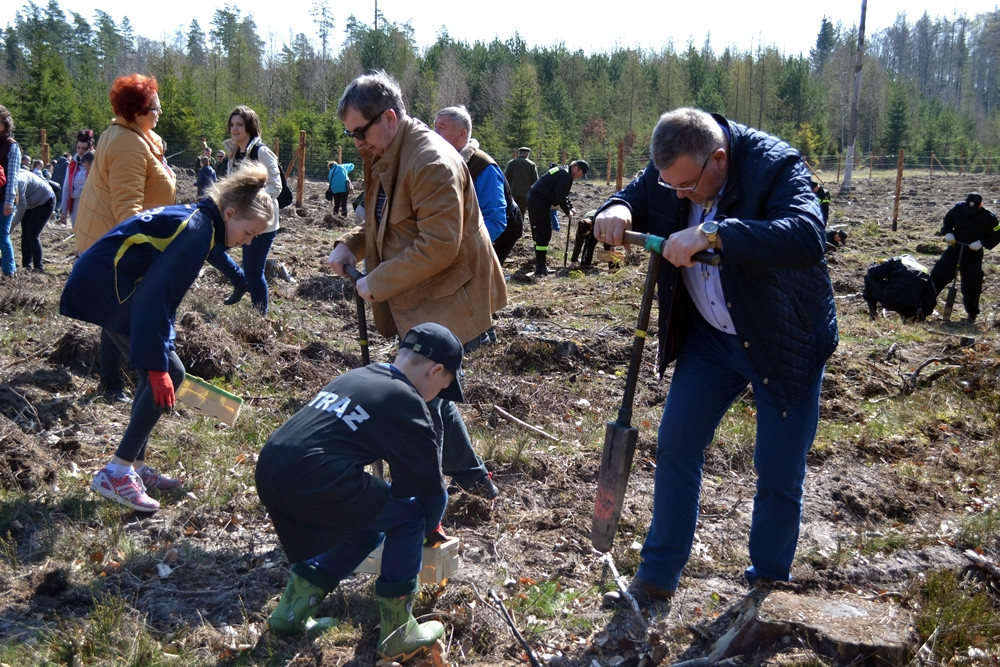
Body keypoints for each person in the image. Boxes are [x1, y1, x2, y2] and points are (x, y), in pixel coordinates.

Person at [593, 107, 837, 608]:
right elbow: (640, 194)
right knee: (676, 444)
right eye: (671, 187)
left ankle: (766, 586)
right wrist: (617, 207)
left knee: (777, 469)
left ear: (719, 160)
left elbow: (806, 236)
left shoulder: (775, 166)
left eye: (687, 187)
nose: (678, 196)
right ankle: (657, 577)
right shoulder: (675, 169)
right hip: (710, 340)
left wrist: (713, 233)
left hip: (781, 339)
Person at [327, 71, 507, 498]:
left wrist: (378, 281)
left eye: (359, 132)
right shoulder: (386, 151)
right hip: (424, 297)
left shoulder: (430, 160)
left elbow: (440, 244)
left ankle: (423, 506)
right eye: (351, 134)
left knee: (419, 400)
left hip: (453, 299)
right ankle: (472, 479)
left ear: (389, 117)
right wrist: (350, 245)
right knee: (432, 393)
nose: (356, 143)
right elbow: (385, 220)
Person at [60, 163, 275, 512]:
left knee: (160, 366)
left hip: (106, 285)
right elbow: (154, 297)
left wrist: (162, 348)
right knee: (168, 371)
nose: (247, 242)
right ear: (231, 213)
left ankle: (137, 467)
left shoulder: (203, 223)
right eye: (249, 233)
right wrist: (159, 362)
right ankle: (117, 471)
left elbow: (164, 295)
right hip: (105, 288)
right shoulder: (197, 230)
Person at [255, 322, 460, 659]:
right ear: (435, 371)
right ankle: (398, 632)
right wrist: (428, 531)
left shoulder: (361, 375)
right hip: (316, 476)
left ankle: (289, 615)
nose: (437, 395)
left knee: (364, 529)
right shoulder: (407, 399)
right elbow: (431, 493)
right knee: (409, 518)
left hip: (272, 468)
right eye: (443, 387)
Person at [75, 74, 177, 405]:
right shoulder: (126, 143)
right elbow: (127, 209)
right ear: (137, 110)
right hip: (114, 245)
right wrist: (149, 253)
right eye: (155, 107)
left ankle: (115, 381)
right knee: (123, 316)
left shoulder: (137, 136)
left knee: (116, 314)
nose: (160, 111)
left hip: (115, 241)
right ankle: (136, 380)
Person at [208, 105, 282, 314]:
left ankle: (260, 318)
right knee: (212, 250)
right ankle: (239, 282)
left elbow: (276, 187)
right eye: (232, 124)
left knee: (254, 273)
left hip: (260, 224)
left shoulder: (262, 152)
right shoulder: (233, 154)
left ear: (250, 126)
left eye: (239, 124)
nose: (235, 129)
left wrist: (250, 200)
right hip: (237, 220)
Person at [434, 105, 521, 264]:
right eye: (435, 126)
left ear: (462, 134)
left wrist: (466, 251)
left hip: (500, 232)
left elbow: (496, 220)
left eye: (441, 127)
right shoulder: (444, 163)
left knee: (479, 274)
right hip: (467, 228)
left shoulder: (483, 167)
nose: (435, 133)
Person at [929, 192, 1000, 324]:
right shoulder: (958, 209)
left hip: (973, 253)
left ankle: (971, 314)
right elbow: (947, 221)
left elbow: (997, 234)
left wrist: (982, 243)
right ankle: (924, 306)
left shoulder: (989, 217)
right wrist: (948, 232)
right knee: (937, 276)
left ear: (980, 206)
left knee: (972, 285)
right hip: (954, 248)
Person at [526, 159, 589, 276]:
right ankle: (540, 267)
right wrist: (567, 211)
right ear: (576, 167)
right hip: (539, 202)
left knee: (539, 233)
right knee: (543, 233)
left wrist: (570, 206)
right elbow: (560, 195)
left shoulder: (562, 171)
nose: (580, 176)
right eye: (581, 173)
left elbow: (562, 193)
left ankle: (541, 265)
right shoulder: (565, 175)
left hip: (536, 199)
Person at [863, 255, 937, 323]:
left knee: (869, 277)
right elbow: (931, 299)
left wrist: (873, 265)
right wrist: (923, 314)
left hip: (890, 299)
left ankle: (873, 315)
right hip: (913, 306)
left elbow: (874, 272)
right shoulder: (925, 271)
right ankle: (910, 317)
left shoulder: (897, 260)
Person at [12, 169, 56, 272]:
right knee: (25, 234)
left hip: (45, 201)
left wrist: (12, 226)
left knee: (32, 233)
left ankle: (38, 267)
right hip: (30, 203)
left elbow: (21, 206)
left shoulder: (19, 182)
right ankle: (26, 265)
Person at [0, 105, 21, 277]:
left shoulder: (12, 146)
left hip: (4, 199)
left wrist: (9, 201)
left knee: (2, 235)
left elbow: (12, 177)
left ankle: (9, 270)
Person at [59, 129, 95, 226]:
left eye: (84, 148)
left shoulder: (98, 163)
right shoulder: (72, 165)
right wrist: (64, 211)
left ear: (90, 148)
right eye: (78, 148)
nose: (80, 151)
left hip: (93, 203)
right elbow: (66, 188)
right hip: (76, 204)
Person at [504, 146, 537, 217]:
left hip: (512, 192)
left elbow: (505, 178)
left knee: (511, 210)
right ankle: (519, 226)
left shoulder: (511, 163)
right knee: (521, 212)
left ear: (519, 153)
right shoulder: (532, 165)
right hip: (525, 194)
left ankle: (511, 226)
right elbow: (535, 181)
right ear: (527, 154)